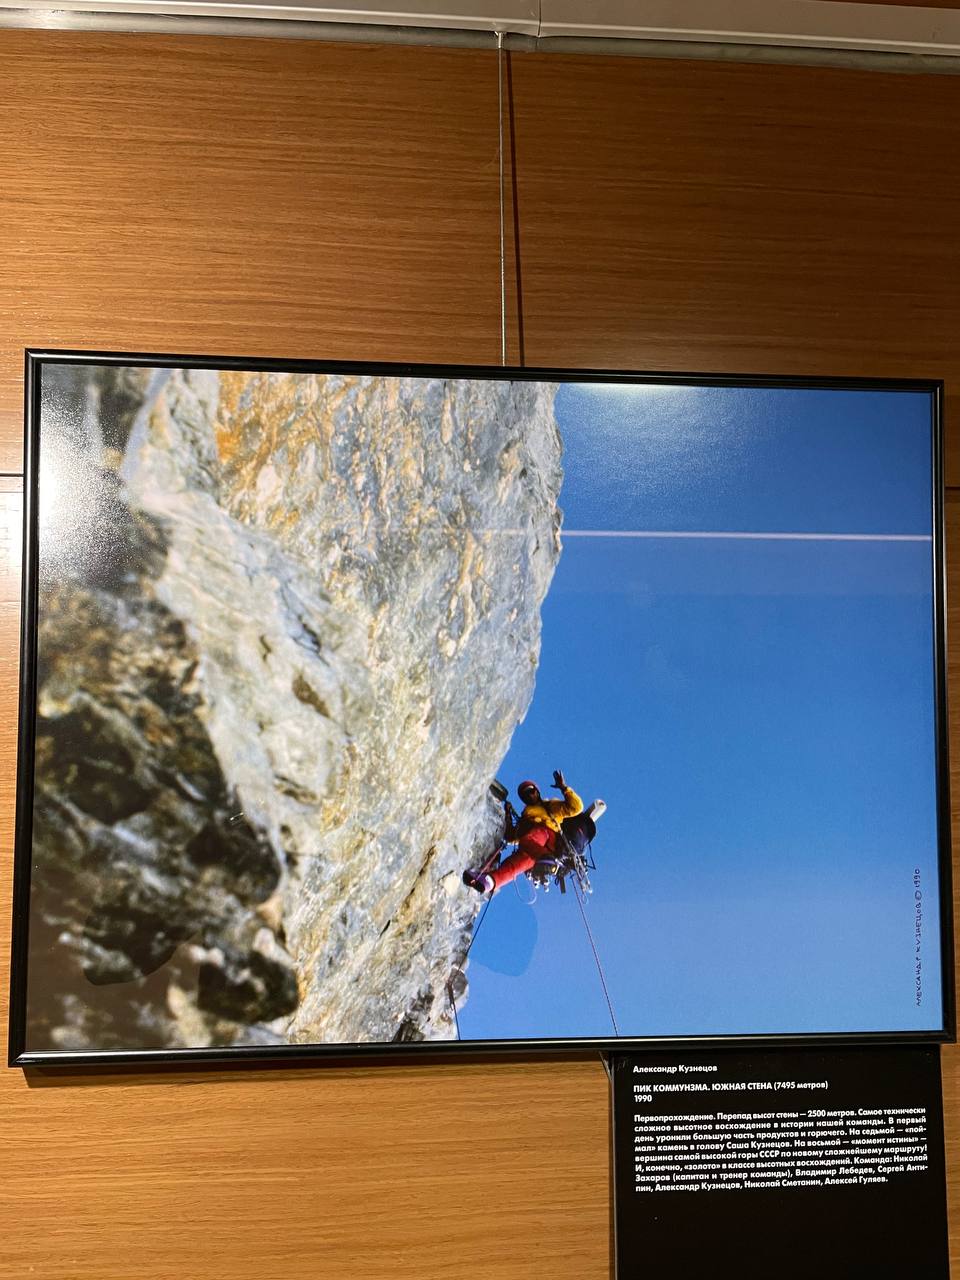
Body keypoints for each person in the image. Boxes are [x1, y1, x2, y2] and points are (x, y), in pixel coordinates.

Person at [463, 771, 603, 894]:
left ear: (537, 792)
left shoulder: (549, 806)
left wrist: (563, 787)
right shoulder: (525, 819)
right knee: (514, 862)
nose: (528, 795)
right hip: (538, 851)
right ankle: (489, 881)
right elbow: (510, 837)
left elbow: (576, 807)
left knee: (529, 839)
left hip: (548, 838)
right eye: (525, 794)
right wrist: (508, 814)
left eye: (531, 791)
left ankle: (547, 859)